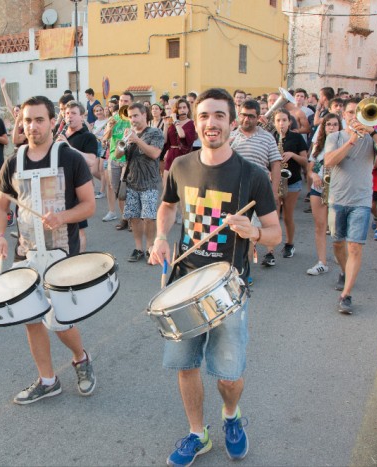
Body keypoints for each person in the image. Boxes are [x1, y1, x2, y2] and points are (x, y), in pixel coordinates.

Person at [149, 88, 281, 465]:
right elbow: (167, 207)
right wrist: (160, 236)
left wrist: (253, 232)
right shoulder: (181, 166)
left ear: (231, 121)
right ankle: (197, 433)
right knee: (185, 366)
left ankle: (230, 416)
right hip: (185, 281)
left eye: (219, 115)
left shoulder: (251, 175)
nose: (211, 123)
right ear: (196, 121)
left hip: (229, 287)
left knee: (228, 376)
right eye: (204, 115)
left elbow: (275, 233)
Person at [0, 95, 97, 404]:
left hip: (62, 254)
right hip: (26, 253)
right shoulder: (13, 161)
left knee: (61, 320)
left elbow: (89, 205)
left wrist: (63, 216)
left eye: (39, 120)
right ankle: (48, 380)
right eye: (27, 120)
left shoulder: (71, 158)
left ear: (53, 122)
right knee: (32, 319)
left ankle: (80, 358)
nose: (33, 126)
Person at [323, 98, 377, 314]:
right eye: (350, 113)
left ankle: (346, 295)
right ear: (343, 115)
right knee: (338, 244)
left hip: (362, 201)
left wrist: (372, 132)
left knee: (354, 246)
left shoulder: (373, 139)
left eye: (358, 113)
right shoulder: (335, 137)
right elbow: (328, 162)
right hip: (337, 200)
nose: (353, 117)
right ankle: (344, 271)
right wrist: (352, 140)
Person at [230, 99, 282, 268]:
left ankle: (245, 268)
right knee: (236, 229)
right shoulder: (230, 136)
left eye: (251, 116)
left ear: (258, 118)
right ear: (239, 115)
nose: (246, 119)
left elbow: (275, 164)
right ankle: (239, 264)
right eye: (244, 115)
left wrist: (274, 191)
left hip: (258, 190)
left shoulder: (267, 138)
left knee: (253, 229)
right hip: (235, 189)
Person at [116, 103, 164, 262]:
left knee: (149, 218)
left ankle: (150, 247)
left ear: (144, 115)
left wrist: (137, 140)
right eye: (130, 117)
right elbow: (117, 155)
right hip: (131, 181)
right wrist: (123, 142)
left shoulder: (155, 133)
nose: (133, 119)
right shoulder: (129, 133)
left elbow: (155, 153)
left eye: (135, 115)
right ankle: (138, 248)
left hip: (149, 182)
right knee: (134, 217)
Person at [56, 100, 100, 252]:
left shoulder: (88, 137)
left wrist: (68, 146)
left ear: (82, 116)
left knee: (79, 228)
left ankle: (78, 260)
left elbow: (91, 160)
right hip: (58, 186)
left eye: (74, 113)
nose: (69, 117)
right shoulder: (60, 134)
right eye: (67, 113)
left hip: (78, 187)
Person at [306, 113, 341, 275]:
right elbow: (310, 168)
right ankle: (322, 262)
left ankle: (340, 255)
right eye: (328, 124)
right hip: (318, 188)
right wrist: (313, 176)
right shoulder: (318, 145)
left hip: (338, 190)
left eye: (335, 124)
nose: (331, 127)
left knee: (337, 228)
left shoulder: (343, 143)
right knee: (320, 226)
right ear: (324, 127)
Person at [273, 108, 308, 258]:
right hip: (274, 181)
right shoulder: (270, 137)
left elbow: (305, 161)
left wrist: (292, 155)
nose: (281, 123)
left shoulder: (297, 138)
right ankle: (270, 249)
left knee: (287, 216)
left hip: (292, 181)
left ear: (290, 122)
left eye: (284, 120)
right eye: (278, 120)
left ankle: (289, 244)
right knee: (273, 216)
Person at [103, 91, 133, 230]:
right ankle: (124, 218)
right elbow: (105, 138)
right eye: (121, 101)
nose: (123, 103)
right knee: (118, 192)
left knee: (127, 191)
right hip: (114, 158)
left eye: (126, 101)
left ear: (131, 103)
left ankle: (132, 219)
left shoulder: (133, 118)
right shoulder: (113, 118)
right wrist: (110, 127)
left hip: (129, 158)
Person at [162, 98, 197, 177]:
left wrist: (175, 119)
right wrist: (165, 125)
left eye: (184, 107)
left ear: (188, 109)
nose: (182, 110)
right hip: (171, 154)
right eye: (179, 108)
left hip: (183, 155)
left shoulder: (191, 123)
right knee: (166, 182)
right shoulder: (172, 123)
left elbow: (181, 135)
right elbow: (164, 140)